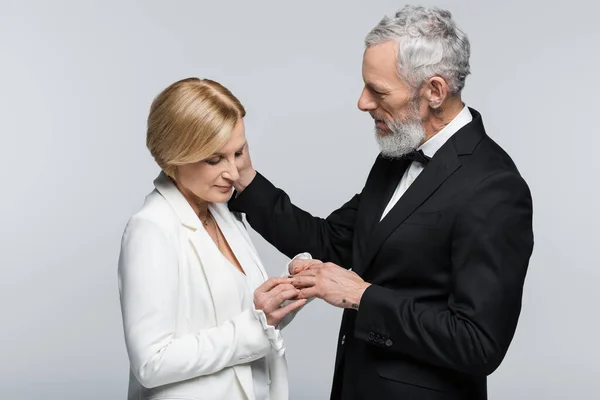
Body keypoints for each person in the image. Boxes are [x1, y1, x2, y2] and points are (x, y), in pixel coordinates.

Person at [228, 5, 534, 400]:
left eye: (378, 90)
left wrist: (361, 296)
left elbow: (478, 342)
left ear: (435, 92)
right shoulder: (397, 153)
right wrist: (245, 180)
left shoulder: (496, 188)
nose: (362, 102)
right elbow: (330, 241)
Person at [117, 77, 305, 400]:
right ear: (175, 155)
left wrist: (290, 293)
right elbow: (151, 362)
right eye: (215, 159)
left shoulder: (224, 213)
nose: (233, 173)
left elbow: (247, 320)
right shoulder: (151, 229)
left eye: (238, 152)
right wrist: (256, 326)